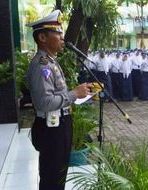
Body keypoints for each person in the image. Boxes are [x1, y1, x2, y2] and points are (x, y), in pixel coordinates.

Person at [26, 10, 93, 190]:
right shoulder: (42, 65)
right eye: (58, 33)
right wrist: (73, 94)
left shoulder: (51, 61)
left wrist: (79, 94)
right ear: (42, 37)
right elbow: (44, 102)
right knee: (52, 177)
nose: (63, 38)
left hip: (60, 124)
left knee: (59, 175)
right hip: (51, 129)